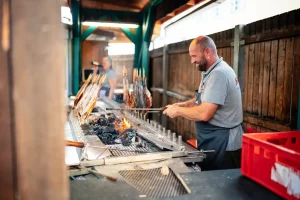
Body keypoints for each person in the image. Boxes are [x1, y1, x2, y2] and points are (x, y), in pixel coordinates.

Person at [163, 36, 244, 170]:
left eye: (194, 56)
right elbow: (204, 98)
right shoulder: (210, 71)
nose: (192, 60)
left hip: (224, 143)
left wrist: (177, 111)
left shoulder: (219, 74)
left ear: (207, 52)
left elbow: (204, 113)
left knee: (220, 186)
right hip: (214, 139)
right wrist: (182, 105)